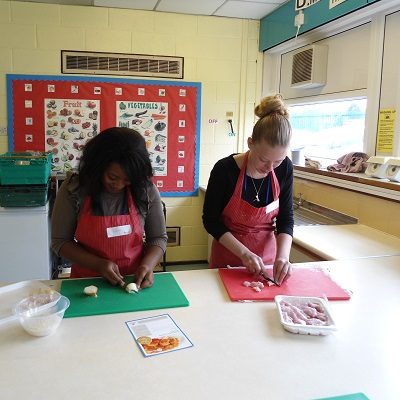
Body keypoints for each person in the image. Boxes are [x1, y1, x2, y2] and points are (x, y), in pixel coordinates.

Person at [51, 127, 167, 289]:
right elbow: (60, 242)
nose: (119, 185)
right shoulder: (74, 189)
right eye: (113, 177)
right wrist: (98, 264)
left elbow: (158, 238)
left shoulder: (145, 190)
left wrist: (147, 265)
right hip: (86, 283)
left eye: (127, 180)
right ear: (97, 166)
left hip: (134, 280)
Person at [202, 94, 294, 285]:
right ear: (250, 143)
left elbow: (286, 218)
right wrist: (243, 253)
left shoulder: (285, 168)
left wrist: (283, 257)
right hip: (228, 258)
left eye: (277, 161)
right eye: (263, 159)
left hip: (268, 262)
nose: (270, 168)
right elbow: (210, 221)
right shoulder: (225, 170)